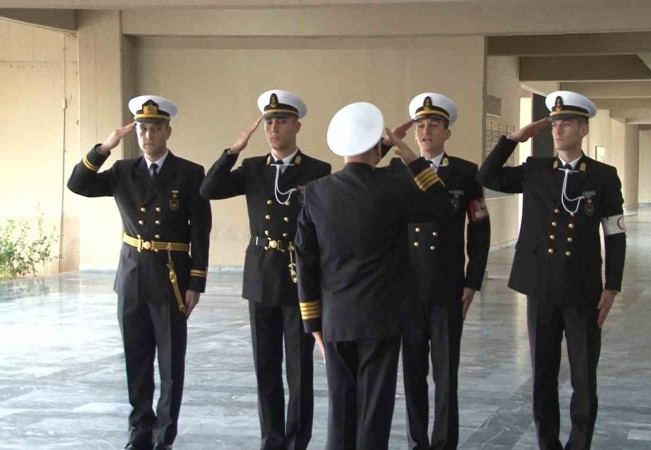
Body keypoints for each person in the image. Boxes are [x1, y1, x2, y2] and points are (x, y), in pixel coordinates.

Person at [295, 102, 452, 449]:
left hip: (335, 318)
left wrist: (313, 322)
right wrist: (408, 154)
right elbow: (442, 204)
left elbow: (304, 258)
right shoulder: (394, 186)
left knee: (340, 408)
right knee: (373, 411)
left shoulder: (317, 191)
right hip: (381, 318)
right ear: (376, 148)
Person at [475, 91, 626, 450]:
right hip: (541, 287)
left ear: (583, 129)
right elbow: (487, 175)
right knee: (543, 374)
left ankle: (579, 444)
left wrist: (613, 285)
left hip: (583, 290)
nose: (557, 130)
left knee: (583, 376)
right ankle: (548, 444)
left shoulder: (603, 176)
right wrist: (514, 139)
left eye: (566, 123)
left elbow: (615, 233)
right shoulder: (535, 169)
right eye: (555, 124)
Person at [67, 95, 212, 450]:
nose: (148, 135)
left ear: (167, 131)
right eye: (143, 129)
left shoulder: (189, 173)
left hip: (171, 278)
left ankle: (165, 435)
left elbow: (200, 231)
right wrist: (104, 147)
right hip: (132, 277)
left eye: (155, 128)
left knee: (171, 363)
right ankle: (140, 430)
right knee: (136, 360)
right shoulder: (122, 171)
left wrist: (196, 281)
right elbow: (79, 184)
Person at [199, 89, 330, 450]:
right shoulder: (253, 167)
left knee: (299, 369)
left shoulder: (317, 171)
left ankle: (297, 441)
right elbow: (208, 189)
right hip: (261, 275)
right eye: (269, 122)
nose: (273, 128)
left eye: (281, 121)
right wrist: (233, 150)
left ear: (296, 125)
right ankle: (271, 439)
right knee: (266, 367)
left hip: (299, 277)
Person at [385, 93, 490, 450]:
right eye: (420, 125)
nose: (426, 131)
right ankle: (418, 442)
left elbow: (479, 228)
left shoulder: (464, 172)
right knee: (413, 374)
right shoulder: (396, 169)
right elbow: (361, 171)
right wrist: (388, 143)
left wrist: (473, 281)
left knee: (445, 376)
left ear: (447, 132)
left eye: (433, 125)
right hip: (407, 287)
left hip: (447, 286)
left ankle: (444, 443)